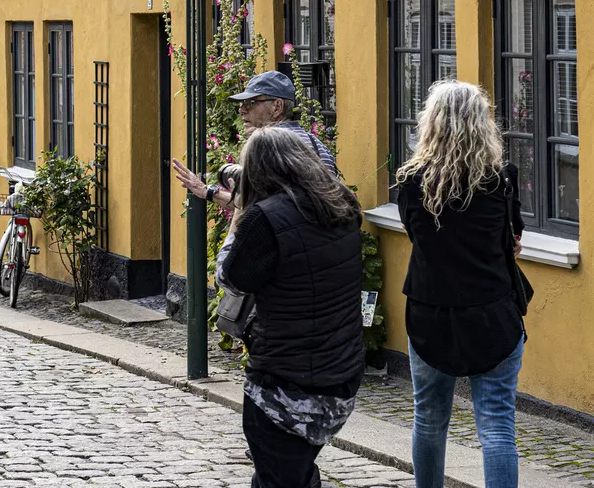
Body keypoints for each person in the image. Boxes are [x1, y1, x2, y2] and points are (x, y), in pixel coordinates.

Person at [216, 126, 365, 488]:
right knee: (294, 471)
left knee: (279, 477)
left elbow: (230, 277)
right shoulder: (342, 205)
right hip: (340, 374)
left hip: (284, 383)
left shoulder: (263, 218)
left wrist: (238, 215)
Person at [395, 81, 524, 488]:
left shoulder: (411, 182)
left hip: (431, 311)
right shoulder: (502, 179)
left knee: (429, 419)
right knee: (498, 425)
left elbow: (418, 237)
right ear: (482, 123)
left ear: (430, 124)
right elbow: (514, 240)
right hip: (492, 311)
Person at [172, 70, 337, 208]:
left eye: (251, 102)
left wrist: (206, 190)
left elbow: (253, 208)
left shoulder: (267, 146)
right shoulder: (317, 145)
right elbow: (259, 203)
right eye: (241, 104)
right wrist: (205, 191)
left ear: (277, 107)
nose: (242, 110)